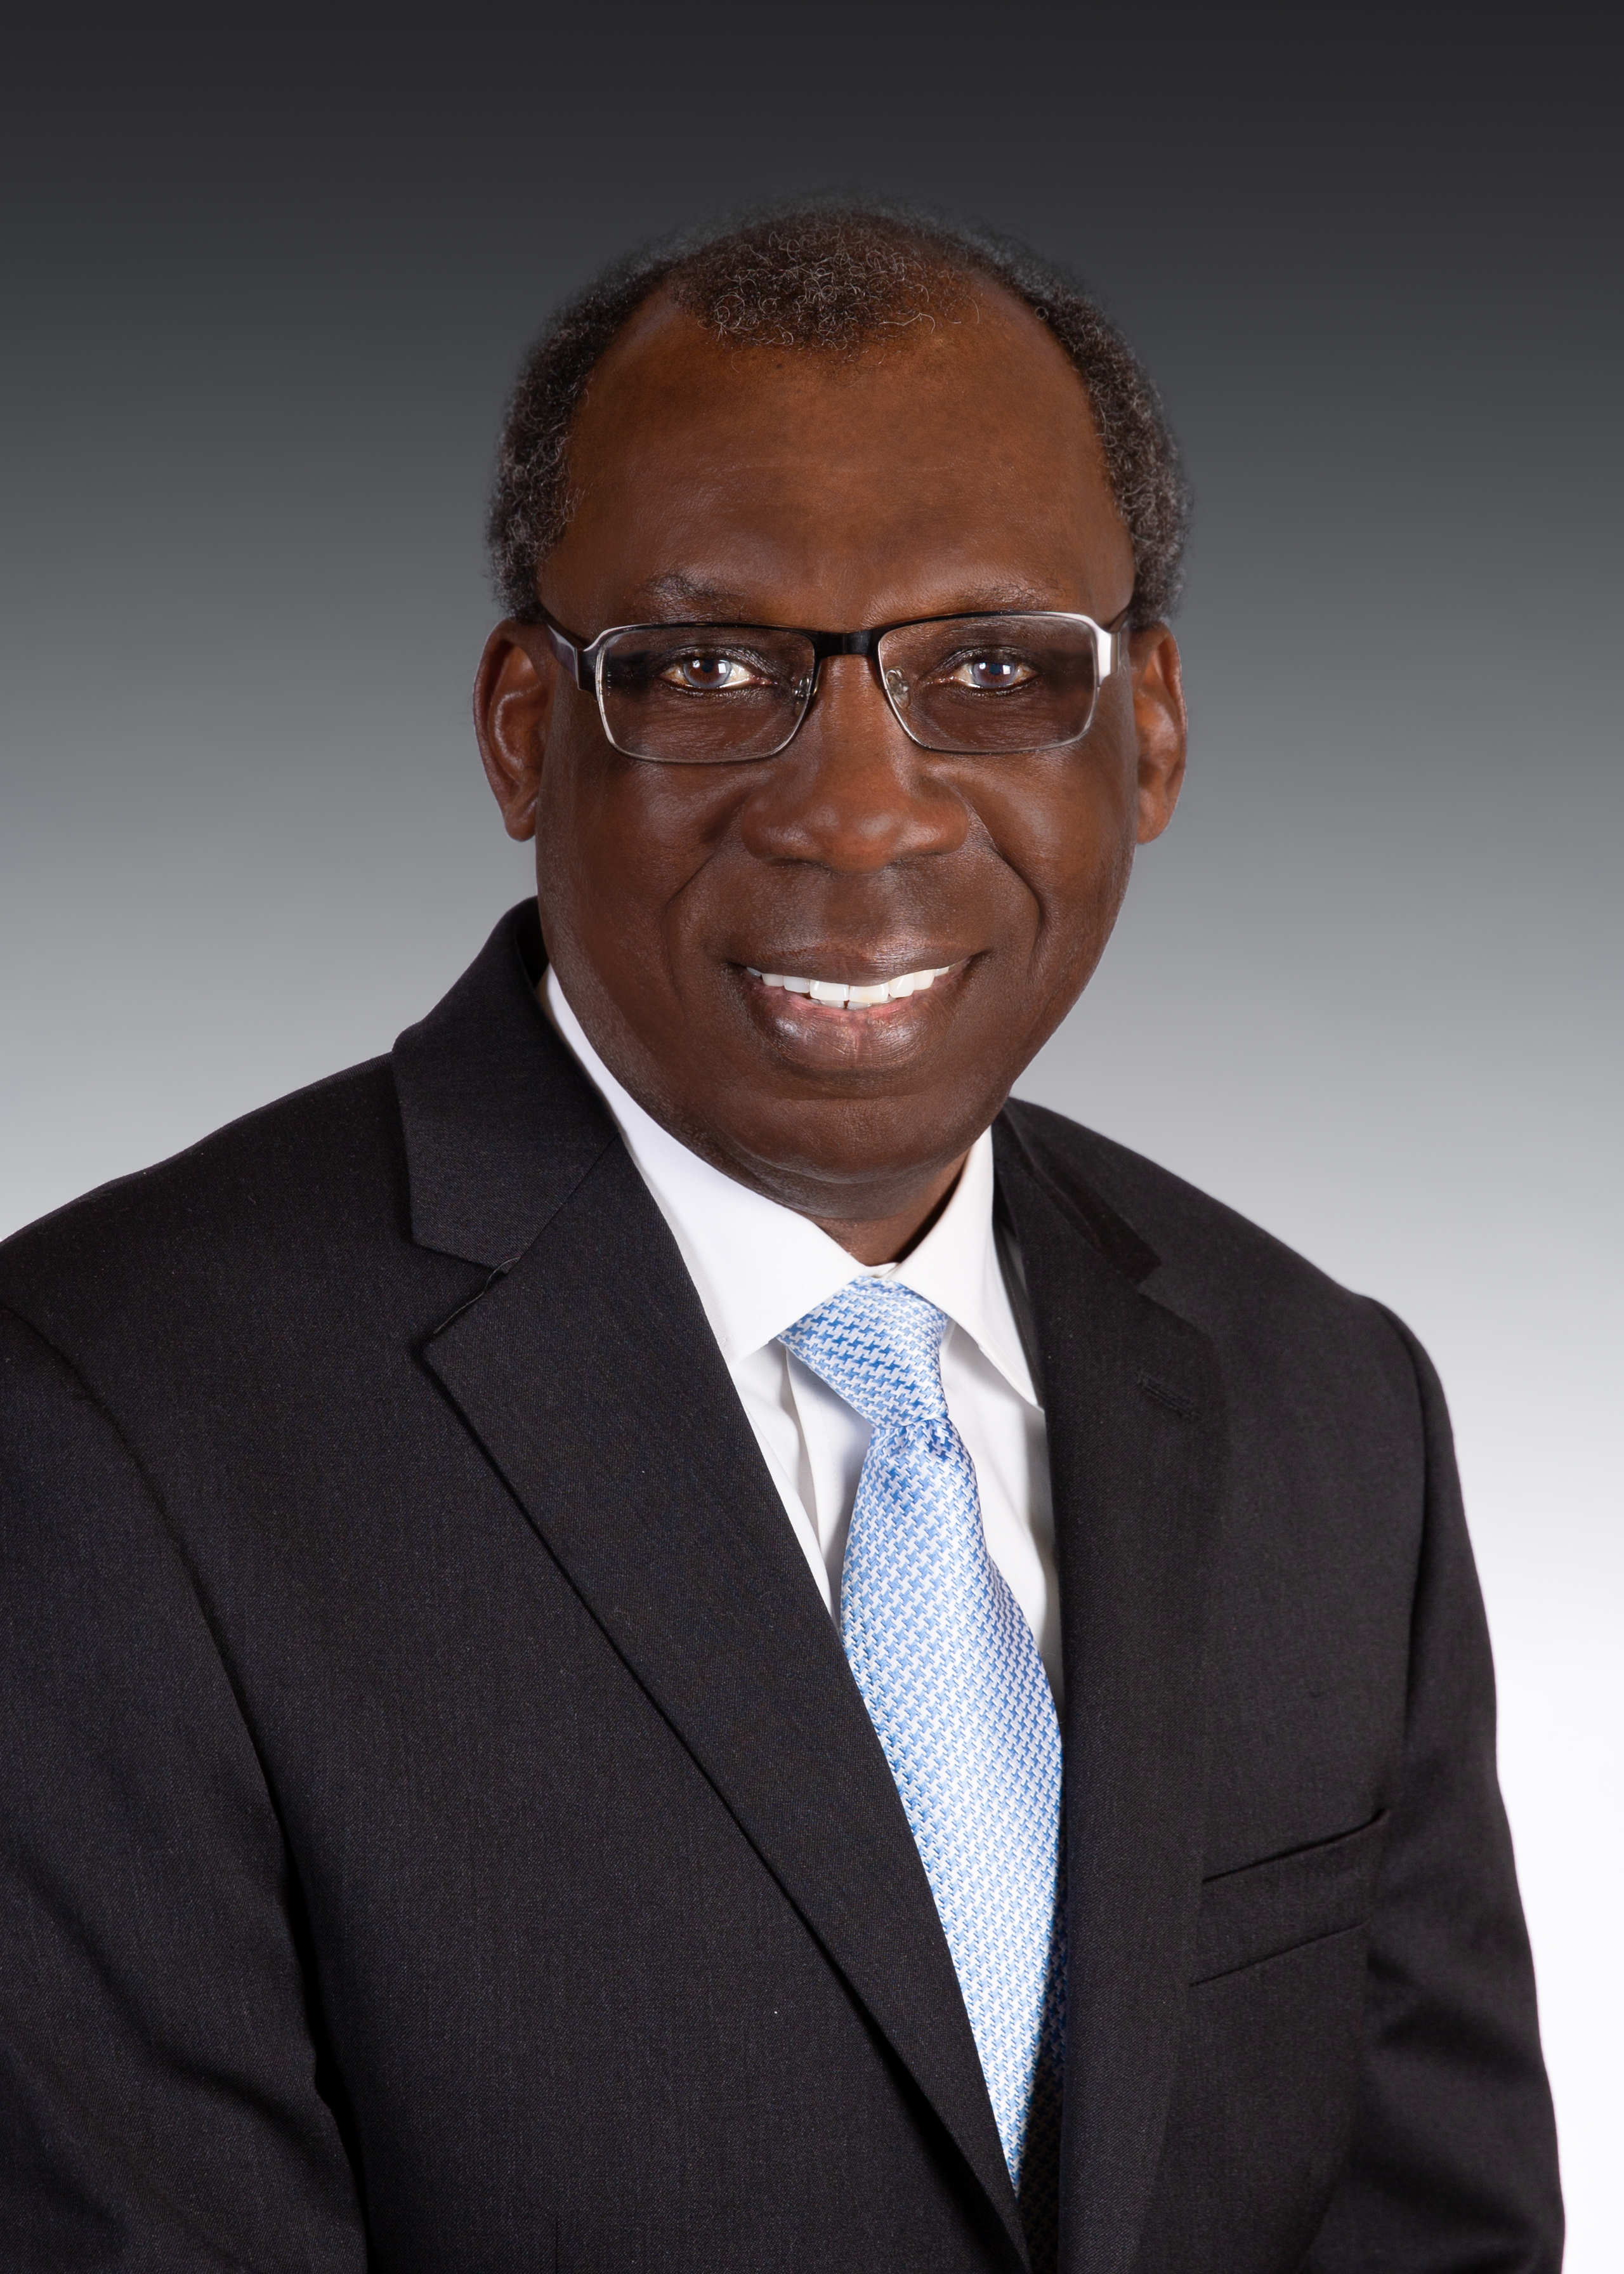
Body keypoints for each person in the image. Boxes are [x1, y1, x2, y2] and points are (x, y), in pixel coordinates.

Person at [0, 204, 1561, 2273]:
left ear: (1153, 734)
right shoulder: (102, 1435)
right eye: (713, 671)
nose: (857, 813)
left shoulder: (1329, 1408)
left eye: (992, 670)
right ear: (525, 732)